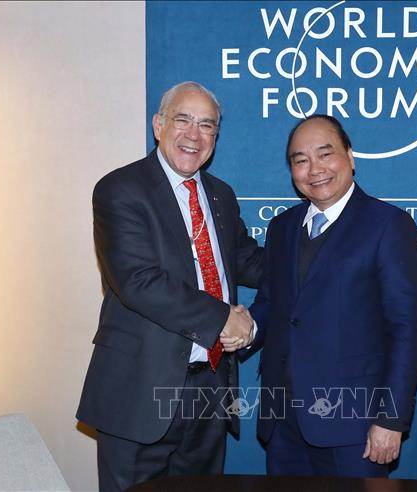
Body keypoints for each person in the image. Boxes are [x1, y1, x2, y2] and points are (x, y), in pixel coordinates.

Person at [76, 81, 262, 491]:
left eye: (207, 125)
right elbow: (138, 281)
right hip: (140, 389)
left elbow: (247, 260)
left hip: (209, 388)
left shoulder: (220, 195)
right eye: (183, 120)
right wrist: (223, 319)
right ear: (158, 125)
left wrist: (316, 261)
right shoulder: (120, 189)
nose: (195, 134)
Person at [245, 115, 417, 477]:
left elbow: (406, 329)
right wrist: (244, 328)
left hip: (355, 426)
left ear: (350, 157)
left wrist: (391, 418)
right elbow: (272, 304)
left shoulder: (388, 224)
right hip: (283, 422)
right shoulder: (281, 227)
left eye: (325, 154)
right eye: (301, 160)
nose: (315, 169)